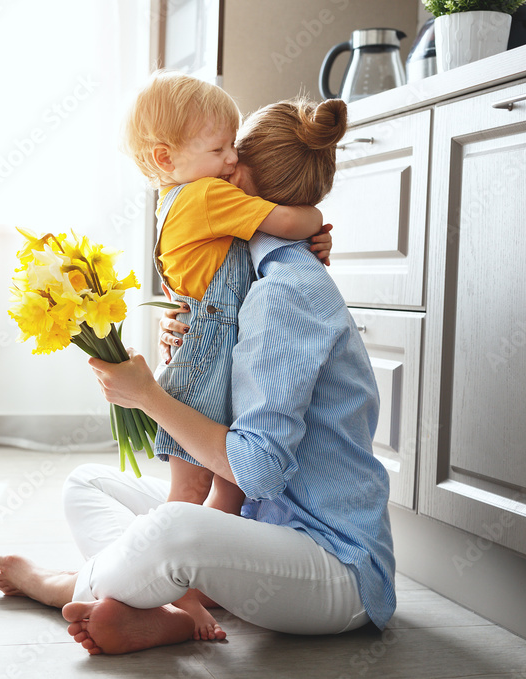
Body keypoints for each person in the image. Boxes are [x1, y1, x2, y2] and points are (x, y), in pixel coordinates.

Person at [0, 96, 395, 655]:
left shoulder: (285, 291)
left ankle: (58, 586)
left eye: (228, 152)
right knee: (89, 483)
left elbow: (258, 472)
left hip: (333, 567)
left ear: (239, 181)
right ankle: (166, 608)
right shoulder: (251, 273)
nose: (217, 165)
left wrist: (147, 395)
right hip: (260, 531)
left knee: (173, 526)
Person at [120, 70, 334, 638]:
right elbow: (287, 219)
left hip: (205, 351)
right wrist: (316, 219)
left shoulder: (175, 199)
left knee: (207, 487)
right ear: (166, 157)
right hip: (209, 359)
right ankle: (171, 590)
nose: (231, 158)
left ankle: (181, 589)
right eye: (219, 148)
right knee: (215, 486)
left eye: (235, 145)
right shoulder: (206, 195)